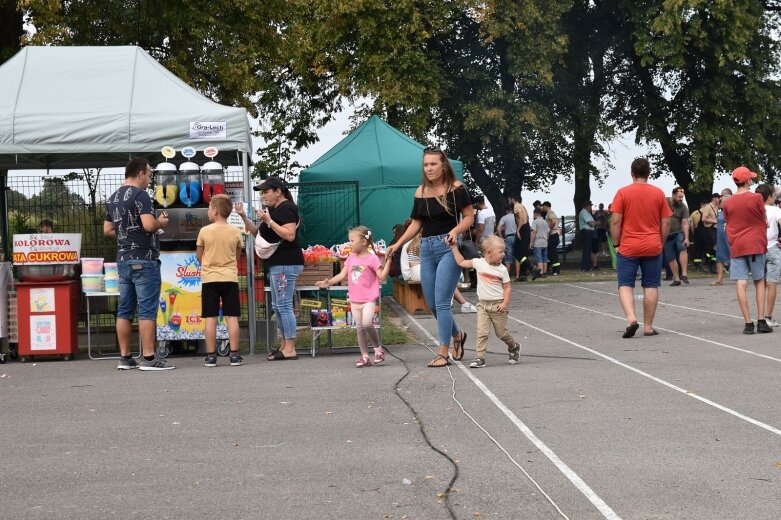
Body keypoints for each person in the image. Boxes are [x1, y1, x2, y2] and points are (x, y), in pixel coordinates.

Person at [385, 146, 474, 367]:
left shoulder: (457, 189)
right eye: (426, 164)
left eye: (433, 164)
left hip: (448, 247)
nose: (429, 168)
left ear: (443, 165)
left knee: (443, 303)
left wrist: (455, 231)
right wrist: (397, 244)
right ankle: (457, 335)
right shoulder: (420, 192)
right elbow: (417, 223)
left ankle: (443, 353)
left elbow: (469, 217)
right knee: (433, 305)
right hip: (427, 248)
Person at [104, 157, 174, 370]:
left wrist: (127, 234)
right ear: (141, 173)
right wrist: (160, 222)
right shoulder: (141, 195)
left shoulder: (113, 197)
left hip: (123, 260)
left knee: (125, 309)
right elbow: (148, 225)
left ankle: (125, 357)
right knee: (147, 309)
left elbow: (107, 230)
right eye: (150, 175)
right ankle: (150, 358)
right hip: (144, 259)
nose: (150, 179)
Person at [237, 176, 305, 360]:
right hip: (278, 263)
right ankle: (284, 345)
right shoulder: (274, 210)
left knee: (283, 305)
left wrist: (269, 221)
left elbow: (290, 235)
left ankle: (290, 348)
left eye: (266, 192)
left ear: (278, 191)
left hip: (286, 263)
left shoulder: (287, 209)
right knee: (277, 305)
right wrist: (243, 216)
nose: (263, 196)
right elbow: (258, 234)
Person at [610, 158, 672, 338]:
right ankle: (649, 327)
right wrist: (660, 241)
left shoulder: (622, 193)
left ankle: (631, 318)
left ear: (632, 173)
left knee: (625, 285)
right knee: (651, 285)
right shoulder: (658, 193)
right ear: (649, 173)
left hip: (629, 245)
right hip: (652, 244)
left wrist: (616, 244)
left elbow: (615, 220)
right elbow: (666, 222)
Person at [316, 226, 392, 367]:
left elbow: (381, 276)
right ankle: (364, 357)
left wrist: (388, 262)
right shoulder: (350, 258)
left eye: (352, 240)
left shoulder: (372, 259)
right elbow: (342, 275)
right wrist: (329, 282)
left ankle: (377, 349)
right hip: (355, 299)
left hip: (369, 299)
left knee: (367, 323)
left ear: (363, 242)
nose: (349, 243)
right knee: (360, 328)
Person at [450, 235, 520, 368]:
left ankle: (514, 346)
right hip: (483, 305)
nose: (503, 254)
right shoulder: (478, 263)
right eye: (501, 252)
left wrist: (505, 303)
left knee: (501, 333)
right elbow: (461, 262)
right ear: (488, 253)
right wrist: (453, 247)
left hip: (498, 305)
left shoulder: (502, 270)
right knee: (482, 332)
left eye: (503, 251)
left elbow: (507, 287)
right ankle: (480, 357)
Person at [196, 194, 244, 367]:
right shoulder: (235, 231)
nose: (208, 211)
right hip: (230, 277)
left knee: (210, 317)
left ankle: (210, 356)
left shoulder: (204, 231)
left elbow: (199, 255)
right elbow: (237, 254)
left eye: (209, 208)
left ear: (215, 211)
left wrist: (208, 266)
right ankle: (234, 355)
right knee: (232, 317)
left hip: (210, 279)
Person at [722, 166, 772, 334]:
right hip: (756, 243)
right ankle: (761, 320)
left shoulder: (727, 202)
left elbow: (728, 223)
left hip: (738, 244)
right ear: (748, 180)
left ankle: (748, 323)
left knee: (741, 282)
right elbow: (764, 218)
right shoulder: (757, 197)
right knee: (759, 281)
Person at [401, 233, 476, 312]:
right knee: (444, 277)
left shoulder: (412, 243)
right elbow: (420, 264)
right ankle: (459, 301)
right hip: (416, 271)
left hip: (414, 271)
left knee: (443, 276)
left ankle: (462, 303)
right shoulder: (423, 244)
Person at [756, 184, 781, 327]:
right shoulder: (776, 209)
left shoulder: (755, 209)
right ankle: (768, 316)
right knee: (772, 283)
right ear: (769, 196)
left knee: (760, 283)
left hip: (758, 248)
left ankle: (760, 315)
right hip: (772, 247)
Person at [665, 187, 690, 286]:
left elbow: (685, 223)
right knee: (670, 256)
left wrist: (687, 238)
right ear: (673, 195)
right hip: (666, 234)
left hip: (678, 232)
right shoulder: (664, 201)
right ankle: (676, 279)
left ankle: (684, 274)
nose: (681, 199)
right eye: (679, 197)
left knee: (682, 247)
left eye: (682, 197)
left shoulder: (683, 207)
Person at [505, 191, 533, 280]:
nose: (508, 201)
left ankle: (533, 268)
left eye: (509, 199)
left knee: (518, 253)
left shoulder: (516, 206)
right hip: (526, 227)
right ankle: (523, 274)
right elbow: (526, 217)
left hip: (523, 228)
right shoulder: (522, 206)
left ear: (513, 199)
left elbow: (520, 218)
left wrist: (518, 230)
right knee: (523, 252)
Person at [712, 193, 731, 286]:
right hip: (720, 238)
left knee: (734, 256)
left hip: (729, 238)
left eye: (721, 201)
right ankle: (719, 279)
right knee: (719, 257)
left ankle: (741, 277)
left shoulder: (732, 212)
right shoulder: (721, 212)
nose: (719, 202)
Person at [496, 205, 517, 275]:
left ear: (506, 211)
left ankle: (507, 275)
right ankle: (517, 275)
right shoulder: (516, 217)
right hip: (517, 237)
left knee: (508, 257)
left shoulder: (504, 218)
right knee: (517, 257)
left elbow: (498, 228)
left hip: (508, 238)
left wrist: (501, 237)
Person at [542, 201, 560, 276]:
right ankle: (553, 269)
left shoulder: (550, 213)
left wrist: (549, 229)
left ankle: (556, 270)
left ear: (546, 206)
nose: (542, 208)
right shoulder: (549, 214)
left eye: (543, 206)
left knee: (553, 253)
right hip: (553, 235)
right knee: (551, 253)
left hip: (553, 235)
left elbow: (553, 221)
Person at [529, 208, 549, 279]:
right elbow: (547, 233)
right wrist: (547, 241)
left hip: (538, 242)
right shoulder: (545, 222)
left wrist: (531, 242)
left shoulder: (535, 222)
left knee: (539, 259)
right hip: (545, 242)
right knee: (544, 259)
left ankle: (540, 273)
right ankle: (545, 273)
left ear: (535, 213)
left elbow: (533, 233)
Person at [579, 201, 598, 271]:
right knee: (586, 249)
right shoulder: (584, 212)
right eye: (590, 206)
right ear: (587, 206)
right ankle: (585, 267)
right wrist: (595, 223)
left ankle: (588, 266)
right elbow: (591, 223)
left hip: (588, 232)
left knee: (588, 249)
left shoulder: (587, 213)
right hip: (586, 232)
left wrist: (594, 223)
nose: (591, 207)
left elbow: (593, 222)